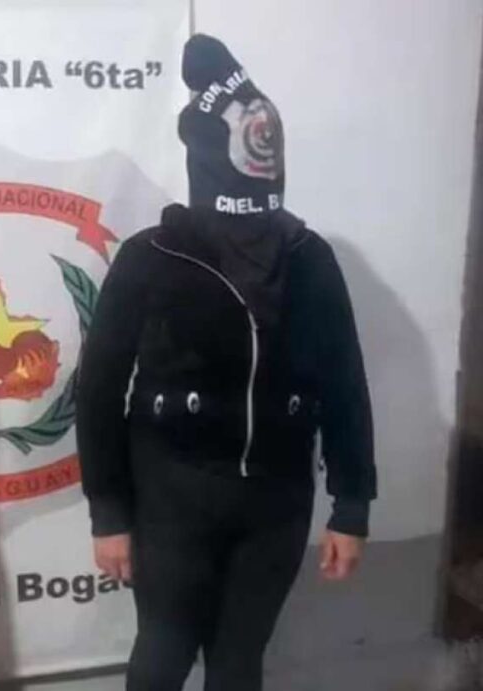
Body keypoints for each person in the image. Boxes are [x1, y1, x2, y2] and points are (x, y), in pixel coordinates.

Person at [76, 34, 377, 691]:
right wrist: (109, 513)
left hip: (277, 501)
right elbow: (95, 392)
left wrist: (352, 504)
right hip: (171, 498)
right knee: (162, 656)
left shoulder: (308, 257)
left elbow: (344, 385)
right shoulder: (153, 257)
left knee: (239, 664)